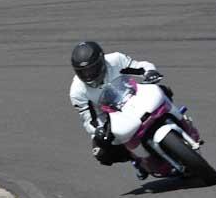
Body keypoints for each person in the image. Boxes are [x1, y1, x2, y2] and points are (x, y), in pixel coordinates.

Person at [68, 41, 168, 179]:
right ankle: (136, 159)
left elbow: (139, 67)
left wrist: (150, 72)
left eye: (91, 69)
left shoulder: (116, 60)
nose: (88, 75)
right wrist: (99, 129)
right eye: (83, 72)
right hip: (110, 115)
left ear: (101, 62)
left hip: (133, 96)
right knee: (102, 151)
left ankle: (180, 118)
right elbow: (88, 117)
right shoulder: (77, 91)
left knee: (163, 91)